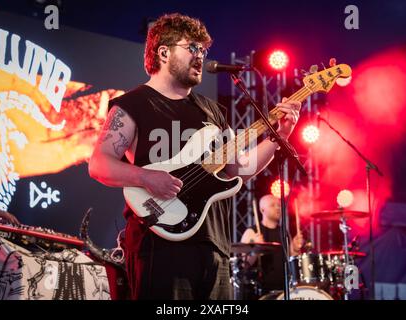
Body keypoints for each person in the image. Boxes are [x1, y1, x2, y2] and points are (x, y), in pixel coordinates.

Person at [88, 13, 301, 300]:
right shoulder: (132, 104)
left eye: (203, 50)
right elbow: (99, 163)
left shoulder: (211, 111)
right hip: (160, 248)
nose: (200, 55)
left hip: (214, 247)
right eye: (192, 47)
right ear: (163, 52)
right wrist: (146, 177)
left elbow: (240, 168)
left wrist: (280, 137)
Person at [240, 194, 304, 294]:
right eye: (272, 205)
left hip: (283, 289)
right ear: (262, 210)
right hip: (261, 291)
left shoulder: (284, 231)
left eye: (279, 205)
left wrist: (295, 249)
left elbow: (291, 259)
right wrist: (256, 248)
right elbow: (245, 264)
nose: (278, 208)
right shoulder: (252, 232)